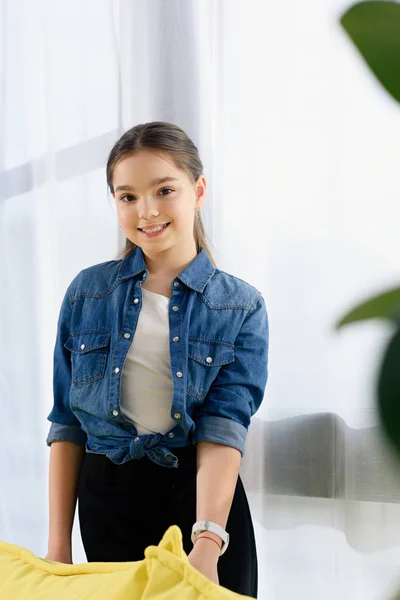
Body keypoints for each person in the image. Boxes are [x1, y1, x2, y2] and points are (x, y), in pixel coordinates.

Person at [45, 121, 269, 598]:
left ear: (198, 190)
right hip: (107, 503)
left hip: (202, 510)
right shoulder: (87, 293)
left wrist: (208, 544)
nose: (146, 211)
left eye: (164, 190)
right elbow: (67, 425)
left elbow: (224, 428)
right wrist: (57, 548)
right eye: (127, 197)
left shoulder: (240, 306)